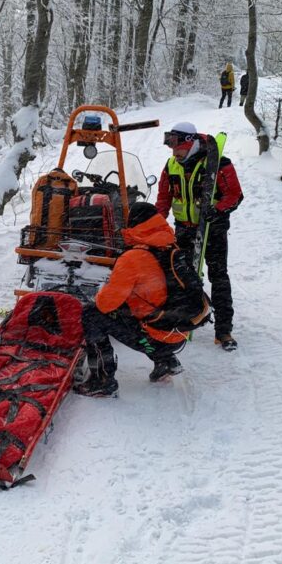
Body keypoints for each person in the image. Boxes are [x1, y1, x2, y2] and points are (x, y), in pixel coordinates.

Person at [76, 202, 210, 398]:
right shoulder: (170, 246)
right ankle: (165, 362)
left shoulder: (133, 258)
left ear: (134, 225)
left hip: (156, 336)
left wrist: (101, 294)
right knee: (143, 308)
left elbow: (105, 304)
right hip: (179, 332)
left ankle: (102, 381)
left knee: (92, 315)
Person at [155, 121, 244, 351]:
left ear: (190, 142)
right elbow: (164, 198)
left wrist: (219, 210)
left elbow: (235, 194)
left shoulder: (218, 164)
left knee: (218, 276)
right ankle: (183, 321)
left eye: (176, 145)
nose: (174, 151)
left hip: (212, 227)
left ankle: (223, 331)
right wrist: (155, 222)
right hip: (184, 228)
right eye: (170, 146)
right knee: (180, 276)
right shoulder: (171, 166)